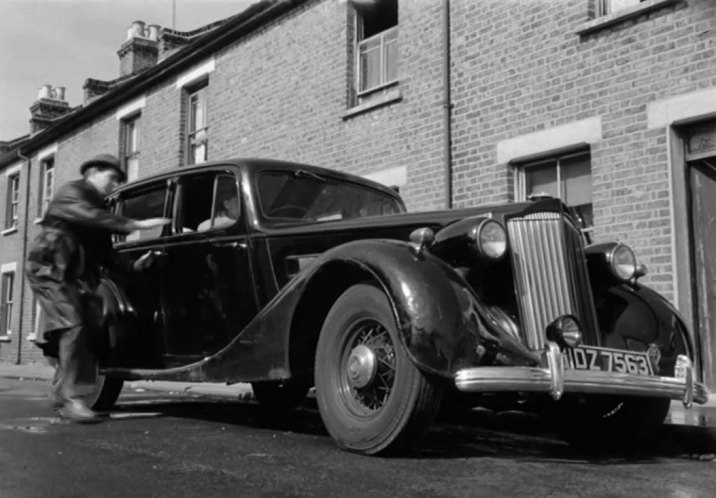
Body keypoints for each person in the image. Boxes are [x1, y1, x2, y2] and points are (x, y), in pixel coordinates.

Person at [25, 153, 170, 423]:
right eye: (112, 178)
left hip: (75, 277)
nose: (115, 185)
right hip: (49, 270)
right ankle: (72, 399)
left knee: (89, 328)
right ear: (92, 172)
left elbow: (107, 254)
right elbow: (87, 216)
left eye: (118, 181)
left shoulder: (100, 210)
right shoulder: (72, 193)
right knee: (72, 324)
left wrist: (136, 265)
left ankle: (61, 394)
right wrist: (133, 224)